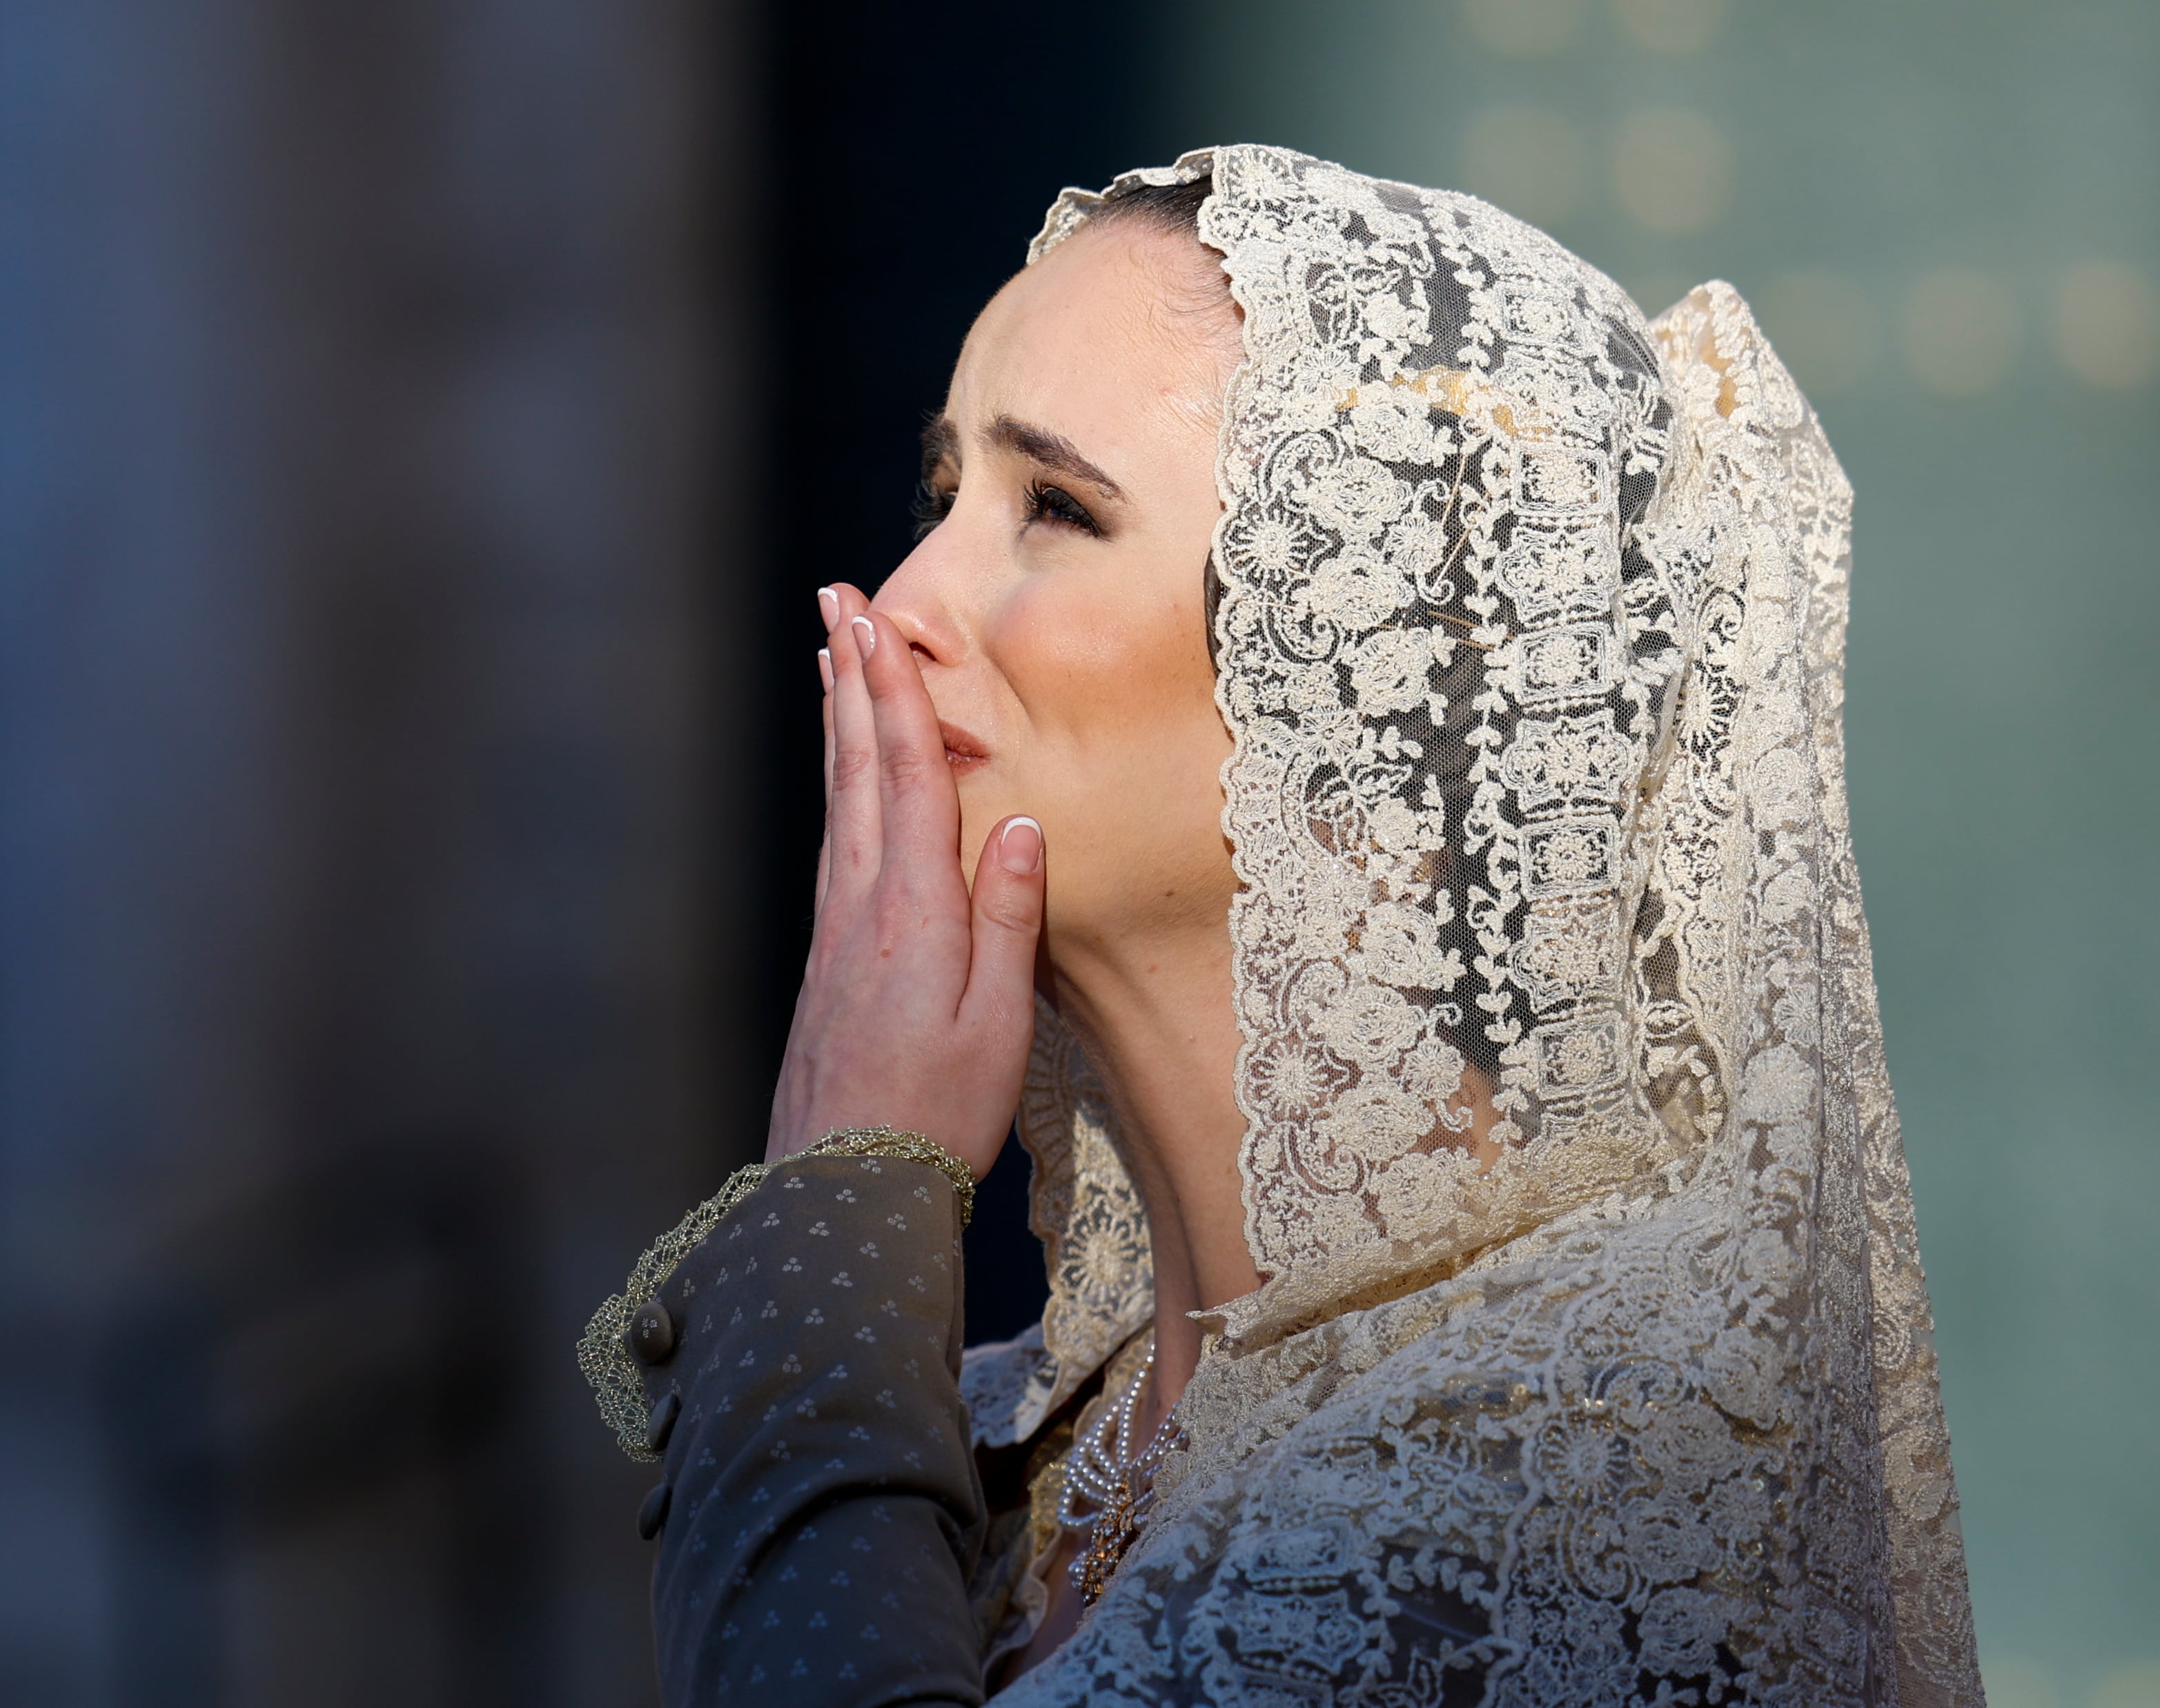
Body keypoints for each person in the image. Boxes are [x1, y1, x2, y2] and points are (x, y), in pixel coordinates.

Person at [579, 144, 1984, 1707]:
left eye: (1051, 504)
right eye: (941, 489)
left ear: (1364, 674)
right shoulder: (1031, 1455)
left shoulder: (1553, 1499)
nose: (902, 595)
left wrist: (843, 1194)